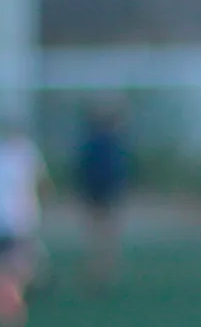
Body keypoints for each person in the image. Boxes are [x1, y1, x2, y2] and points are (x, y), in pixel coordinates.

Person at [0, 121, 50, 327]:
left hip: (16, 222)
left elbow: (42, 184)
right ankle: (9, 314)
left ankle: (8, 308)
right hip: (2, 223)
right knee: (10, 272)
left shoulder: (23, 152)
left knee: (16, 270)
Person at [75, 104, 131, 293]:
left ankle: (100, 272)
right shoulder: (110, 144)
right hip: (103, 193)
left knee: (100, 236)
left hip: (98, 193)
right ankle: (102, 272)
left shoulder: (93, 142)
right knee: (105, 236)